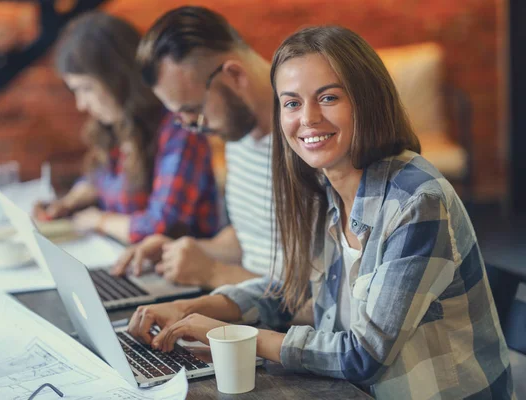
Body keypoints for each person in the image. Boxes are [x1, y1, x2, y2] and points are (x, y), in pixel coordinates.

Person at [125, 26, 514, 399]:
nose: (307, 119)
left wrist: (236, 338)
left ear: (367, 100)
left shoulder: (417, 201)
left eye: (328, 98)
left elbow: (364, 355)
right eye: (292, 103)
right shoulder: (321, 185)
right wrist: (190, 308)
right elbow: (288, 291)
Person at [112, 6, 281, 289]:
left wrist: (214, 274)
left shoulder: (310, 139)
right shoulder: (237, 126)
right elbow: (254, 240)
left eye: (193, 110)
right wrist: (184, 250)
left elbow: (329, 304)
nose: (191, 126)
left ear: (235, 76)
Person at [32, 11, 220, 244]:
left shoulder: (179, 128)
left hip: (180, 271)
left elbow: (160, 225)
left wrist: (97, 220)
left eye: (87, 88)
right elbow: (98, 179)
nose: (81, 104)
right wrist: (70, 201)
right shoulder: (114, 125)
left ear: (119, 77)